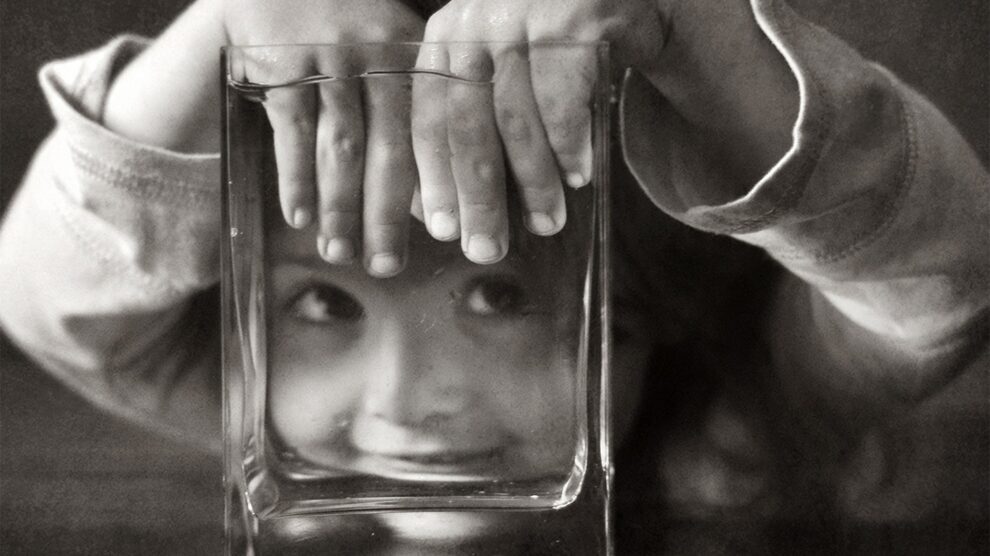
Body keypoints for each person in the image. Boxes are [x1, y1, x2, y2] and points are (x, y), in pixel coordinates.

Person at [0, 0, 986, 548]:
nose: (405, 400)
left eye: (498, 294)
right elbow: (41, 297)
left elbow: (944, 279)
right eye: (323, 301)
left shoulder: (718, 442)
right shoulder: (254, 429)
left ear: (646, 307)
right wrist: (227, 25)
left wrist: (685, 28)